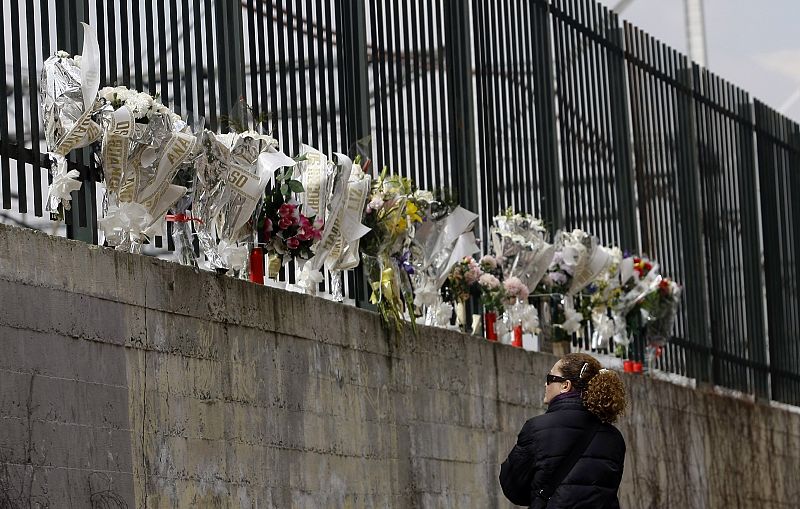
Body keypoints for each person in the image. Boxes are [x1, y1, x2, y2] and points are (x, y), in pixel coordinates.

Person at [499, 353, 627, 508]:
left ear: (565, 386)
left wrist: (539, 494)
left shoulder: (537, 429)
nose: (545, 385)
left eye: (549, 378)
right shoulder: (615, 438)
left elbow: (512, 486)